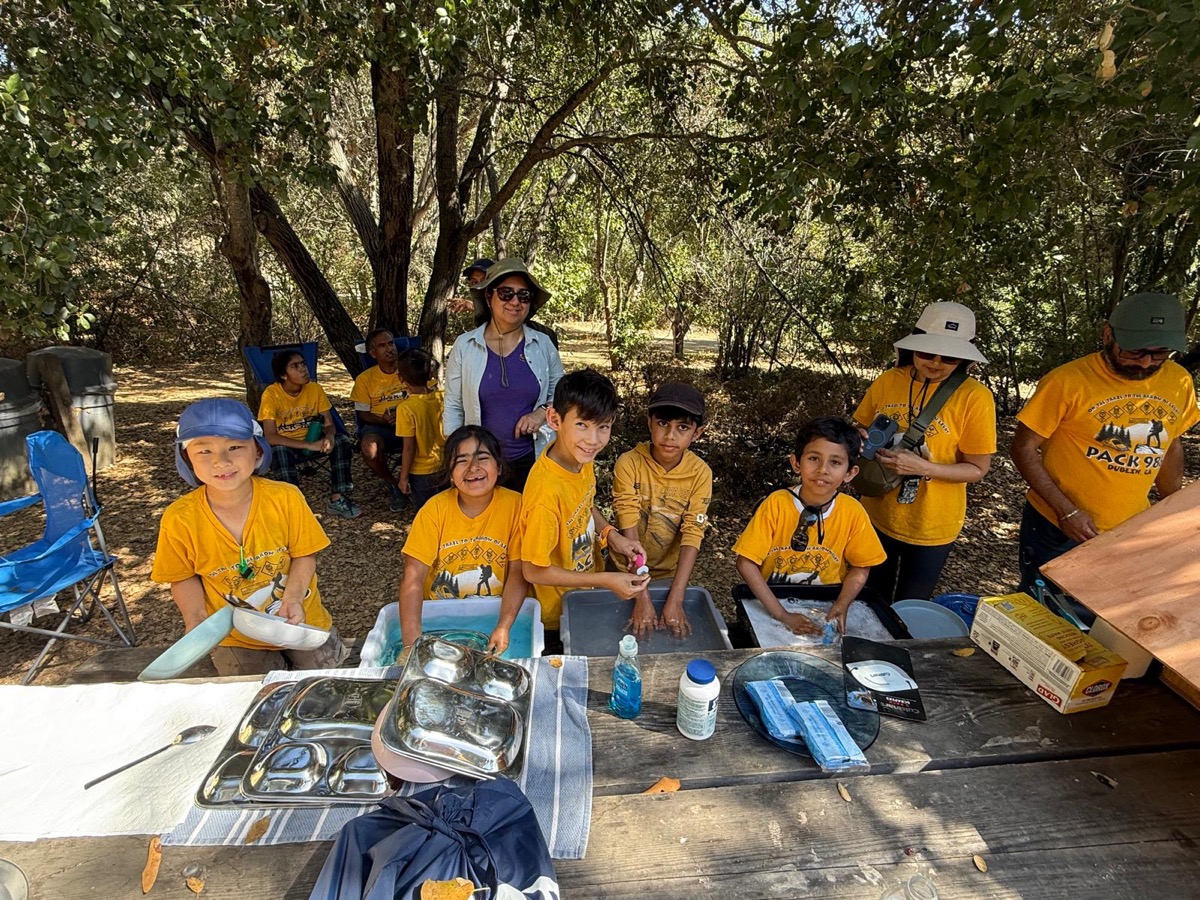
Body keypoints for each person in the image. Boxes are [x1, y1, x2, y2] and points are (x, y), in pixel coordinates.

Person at [1011, 292, 1199, 593]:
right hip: (1057, 526)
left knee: (1102, 612)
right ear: (1108, 335)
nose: (1146, 363)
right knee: (1042, 612)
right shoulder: (1067, 381)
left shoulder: (1179, 381)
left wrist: (1169, 506)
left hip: (1131, 527)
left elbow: (1170, 444)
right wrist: (1066, 511)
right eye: (1135, 352)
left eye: (1160, 353)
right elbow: (1022, 447)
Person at [151, 398, 348, 676]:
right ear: (187, 460)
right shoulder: (179, 518)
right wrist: (196, 621)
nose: (222, 461)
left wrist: (292, 598)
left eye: (234, 447)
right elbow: (182, 576)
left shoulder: (285, 497)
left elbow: (305, 554)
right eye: (204, 451)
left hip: (299, 617)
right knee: (251, 685)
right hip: (236, 634)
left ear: (257, 452)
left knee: (321, 674)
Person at [852, 301, 996, 602]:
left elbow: (977, 469)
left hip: (932, 525)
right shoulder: (890, 380)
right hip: (876, 513)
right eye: (927, 352)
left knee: (910, 605)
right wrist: (859, 439)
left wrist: (922, 468)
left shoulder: (975, 398)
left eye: (951, 357)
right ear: (913, 346)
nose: (936, 363)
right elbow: (859, 426)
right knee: (868, 598)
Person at [519, 369, 650, 646]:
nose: (593, 440)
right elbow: (532, 570)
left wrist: (613, 537)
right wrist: (607, 580)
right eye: (582, 425)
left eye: (603, 427)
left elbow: (585, 505)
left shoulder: (580, 459)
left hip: (581, 594)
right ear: (555, 419)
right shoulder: (545, 493)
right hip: (556, 615)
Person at [734, 417, 887, 634]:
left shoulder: (852, 512)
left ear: (850, 473)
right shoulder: (776, 504)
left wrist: (842, 605)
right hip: (773, 601)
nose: (823, 469)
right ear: (796, 463)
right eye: (814, 458)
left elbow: (861, 566)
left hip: (827, 603)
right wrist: (782, 615)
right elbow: (745, 563)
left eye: (835, 462)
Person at [399, 426, 527, 655]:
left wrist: (503, 625)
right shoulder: (433, 511)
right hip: (441, 616)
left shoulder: (516, 506)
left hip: (496, 613)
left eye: (483, 458)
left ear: (498, 465)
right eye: (462, 460)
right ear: (450, 473)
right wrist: (412, 645)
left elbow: (518, 572)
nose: (473, 468)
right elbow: (413, 576)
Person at [444, 258, 565, 492]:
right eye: (506, 293)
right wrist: (456, 461)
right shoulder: (465, 346)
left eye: (524, 296)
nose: (515, 302)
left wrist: (541, 413)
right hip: (479, 467)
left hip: (533, 461)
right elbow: (453, 406)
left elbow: (561, 392)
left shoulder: (543, 345)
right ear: (489, 297)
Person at [612, 382, 713, 638]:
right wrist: (641, 595)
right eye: (663, 423)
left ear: (697, 433)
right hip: (623, 570)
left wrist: (677, 597)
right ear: (649, 423)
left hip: (669, 575)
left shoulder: (700, 474)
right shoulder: (629, 463)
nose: (670, 435)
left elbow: (693, 532)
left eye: (682, 427)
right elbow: (628, 522)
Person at [257, 349, 361, 519]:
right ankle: (294, 505)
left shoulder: (314, 389)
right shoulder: (272, 394)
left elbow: (329, 423)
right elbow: (270, 436)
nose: (303, 369)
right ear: (284, 375)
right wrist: (307, 445)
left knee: (341, 441)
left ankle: (338, 498)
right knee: (278, 451)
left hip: (314, 439)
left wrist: (329, 437)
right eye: (295, 366)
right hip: (288, 444)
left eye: (303, 364)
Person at [351, 328, 410, 511]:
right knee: (369, 448)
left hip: (415, 423)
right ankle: (395, 485)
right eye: (382, 346)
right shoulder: (364, 380)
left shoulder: (410, 369)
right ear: (372, 353)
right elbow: (363, 413)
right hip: (383, 426)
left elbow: (428, 397)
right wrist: (383, 420)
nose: (389, 349)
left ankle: (425, 481)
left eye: (391, 343)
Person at [394, 348, 446, 512]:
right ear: (430, 373)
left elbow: (409, 448)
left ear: (400, 378)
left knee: (427, 514)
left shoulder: (406, 409)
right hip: (446, 464)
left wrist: (403, 478)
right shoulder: (444, 397)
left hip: (421, 472)